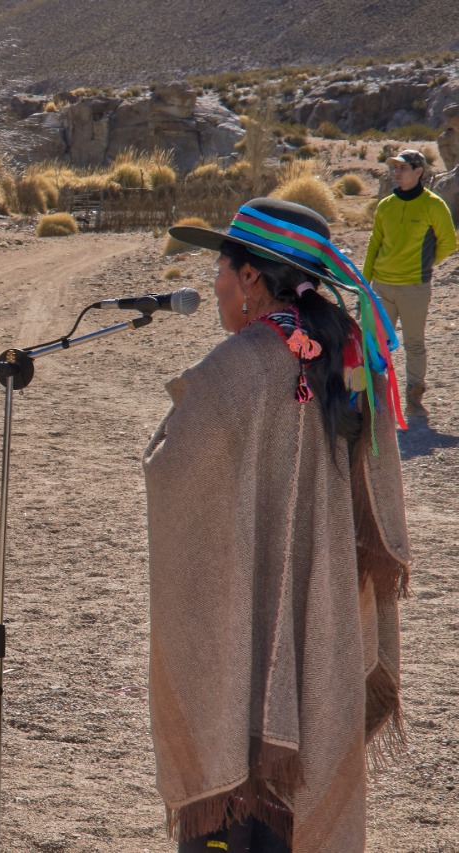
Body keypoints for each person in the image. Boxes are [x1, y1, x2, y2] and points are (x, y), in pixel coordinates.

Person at [147, 199, 410, 851]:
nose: (214, 283)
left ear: (252, 279)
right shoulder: (343, 354)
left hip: (251, 616)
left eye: (221, 267)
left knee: (236, 740)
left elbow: (171, 467)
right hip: (318, 615)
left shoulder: (240, 366)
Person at [363, 148, 456, 419]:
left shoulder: (433, 205)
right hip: (381, 286)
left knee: (414, 343)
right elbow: (373, 244)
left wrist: (424, 264)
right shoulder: (386, 206)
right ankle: (375, 400)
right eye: (394, 168)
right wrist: (364, 284)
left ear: (419, 171)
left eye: (402, 168)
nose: (396, 172)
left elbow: (449, 243)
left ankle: (414, 398)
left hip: (415, 288)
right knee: (376, 343)